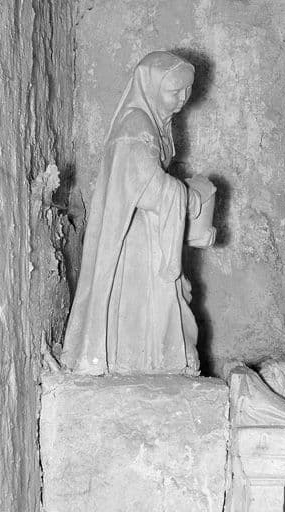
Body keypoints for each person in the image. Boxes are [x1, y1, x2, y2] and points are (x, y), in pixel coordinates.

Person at [61, 51, 215, 375]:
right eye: (174, 92)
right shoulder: (136, 125)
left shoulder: (156, 123)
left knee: (158, 303)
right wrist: (186, 196)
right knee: (140, 303)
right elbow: (146, 188)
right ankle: (135, 365)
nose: (182, 99)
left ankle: (154, 364)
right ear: (151, 88)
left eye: (186, 91)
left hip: (149, 229)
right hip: (132, 236)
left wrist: (182, 193)